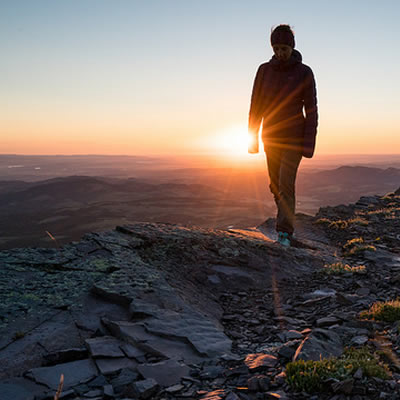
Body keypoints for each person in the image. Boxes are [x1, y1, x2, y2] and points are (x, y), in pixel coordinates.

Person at [248, 24, 318, 246]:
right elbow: (256, 105)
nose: (280, 53)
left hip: (294, 138)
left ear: (292, 47)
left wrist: (308, 144)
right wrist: (252, 137)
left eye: (284, 48)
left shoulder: (304, 72)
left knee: (286, 183)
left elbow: (312, 110)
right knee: (275, 185)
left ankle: (285, 233)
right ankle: (285, 219)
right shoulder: (263, 70)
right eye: (276, 48)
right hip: (271, 136)